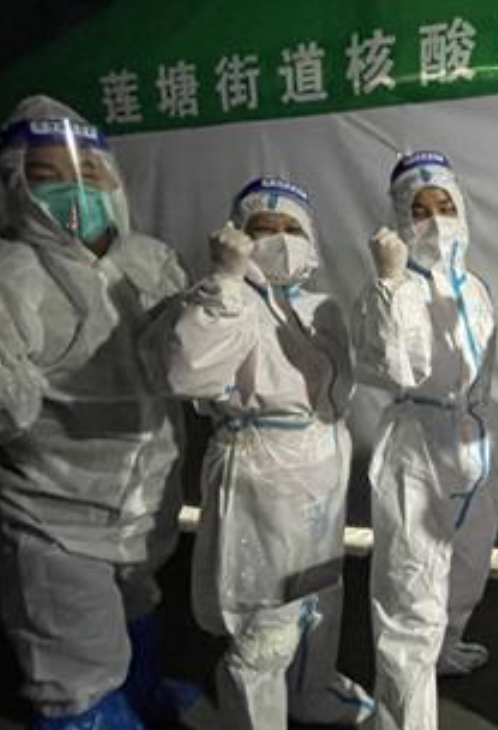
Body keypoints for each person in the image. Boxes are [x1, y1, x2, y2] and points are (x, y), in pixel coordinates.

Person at [0, 95, 201, 730]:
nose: (77, 188)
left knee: (137, 608)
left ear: (113, 179)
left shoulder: (150, 260)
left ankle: (145, 696)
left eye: (89, 172)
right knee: (77, 669)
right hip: (56, 518)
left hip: (145, 505)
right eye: (47, 176)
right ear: (16, 183)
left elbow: (184, 366)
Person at [150, 176, 373, 729]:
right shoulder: (224, 301)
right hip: (260, 473)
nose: (278, 238)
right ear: (238, 237)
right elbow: (185, 372)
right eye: (263, 227)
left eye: (291, 227)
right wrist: (226, 281)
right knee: (262, 626)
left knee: (320, 593)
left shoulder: (323, 307)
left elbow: (339, 388)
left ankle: (310, 689)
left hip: (322, 465)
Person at [354, 151, 498, 730]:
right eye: (419, 210)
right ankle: (402, 718)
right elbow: (401, 366)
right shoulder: (389, 290)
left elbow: (483, 369)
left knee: (466, 562)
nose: (435, 220)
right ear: (399, 217)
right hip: (417, 444)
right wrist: (391, 283)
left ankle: (445, 646)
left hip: (470, 440)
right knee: (410, 591)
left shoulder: (476, 289)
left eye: (444, 205)